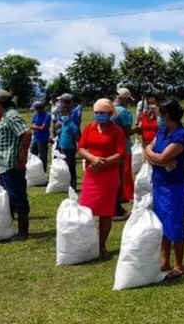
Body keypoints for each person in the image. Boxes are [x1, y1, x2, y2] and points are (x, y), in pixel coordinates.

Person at [144, 99, 184, 280]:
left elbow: (162, 157)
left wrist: (155, 156)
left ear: (167, 115)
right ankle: (165, 261)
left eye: (160, 115)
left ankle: (179, 264)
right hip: (159, 183)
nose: (157, 119)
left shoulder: (181, 135)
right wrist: (154, 156)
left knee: (175, 224)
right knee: (162, 224)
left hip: (174, 186)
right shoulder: (163, 131)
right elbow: (148, 151)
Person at [78, 98, 126, 259]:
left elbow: (121, 155)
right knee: (86, 210)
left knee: (105, 213)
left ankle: (102, 245)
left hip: (108, 175)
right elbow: (81, 148)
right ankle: (87, 243)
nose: (99, 116)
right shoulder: (89, 128)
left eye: (102, 113)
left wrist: (103, 163)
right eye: (96, 113)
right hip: (91, 174)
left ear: (110, 114)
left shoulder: (116, 131)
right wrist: (93, 159)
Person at [0, 90, 32, 241]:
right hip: (4, 164)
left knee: (17, 197)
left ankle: (23, 232)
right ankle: (9, 229)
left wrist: (23, 155)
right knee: (8, 198)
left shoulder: (11, 115)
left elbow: (26, 133)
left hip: (12, 165)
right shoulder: (6, 116)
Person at [113, 88, 135, 220]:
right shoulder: (124, 113)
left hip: (110, 149)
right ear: (125, 99)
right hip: (123, 149)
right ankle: (118, 207)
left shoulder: (108, 110)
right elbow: (127, 131)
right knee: (122, 177)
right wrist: (137, 129)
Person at [57, 103, 81, 191]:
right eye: (62, 113)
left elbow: (77, 137)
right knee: (64, 167)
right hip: (62, 147)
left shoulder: (72, 125)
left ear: (69, 113)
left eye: (65, 113)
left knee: (70, 167)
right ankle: (66, 183)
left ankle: (73, 184)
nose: (63, 115)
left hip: (69, 149)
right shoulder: (63, 123)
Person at [29, 101, 52, 172]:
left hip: (43, 139)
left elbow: (43, 128)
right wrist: (37, 127)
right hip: (35, 138)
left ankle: (43, 171)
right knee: (32, 153)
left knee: (43, 157)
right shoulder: (35, 115)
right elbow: (31, 125)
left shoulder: (47, 116)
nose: (35, 111)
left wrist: (35, 127)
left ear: (40, 108)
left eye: (36, 109)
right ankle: (34, 170)